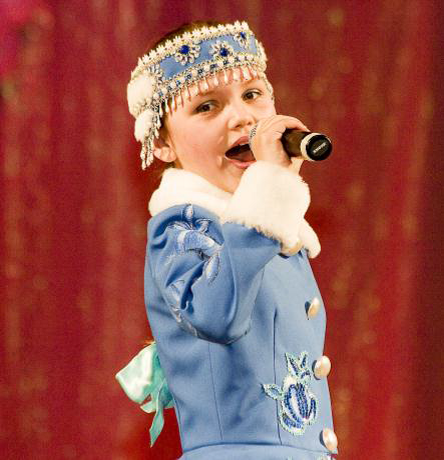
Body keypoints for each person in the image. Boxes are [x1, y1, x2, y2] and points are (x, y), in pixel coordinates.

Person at [116, 20, 337, 460]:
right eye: (207, 106)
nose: (242, 117)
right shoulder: (181, 229)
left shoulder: (271, 230)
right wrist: (269, 186)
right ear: (162, 144)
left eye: (252, 94)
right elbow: (218, 314)